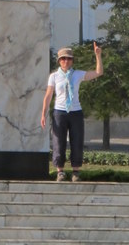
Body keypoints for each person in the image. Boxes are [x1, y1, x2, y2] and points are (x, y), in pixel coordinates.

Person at [40, 42, 103, 182]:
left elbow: (98, 72)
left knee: (77, 141)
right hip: (60, 112)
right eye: (63, 59)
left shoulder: (78, 74)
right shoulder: (54, 76)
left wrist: (98, 55)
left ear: (72, 61)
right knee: (58, 141)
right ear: (59, 61)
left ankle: (76, 172)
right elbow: (48, 95)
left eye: (68, 59)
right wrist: (43, 113)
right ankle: (60, 171)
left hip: (75, 112)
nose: (66, 61)